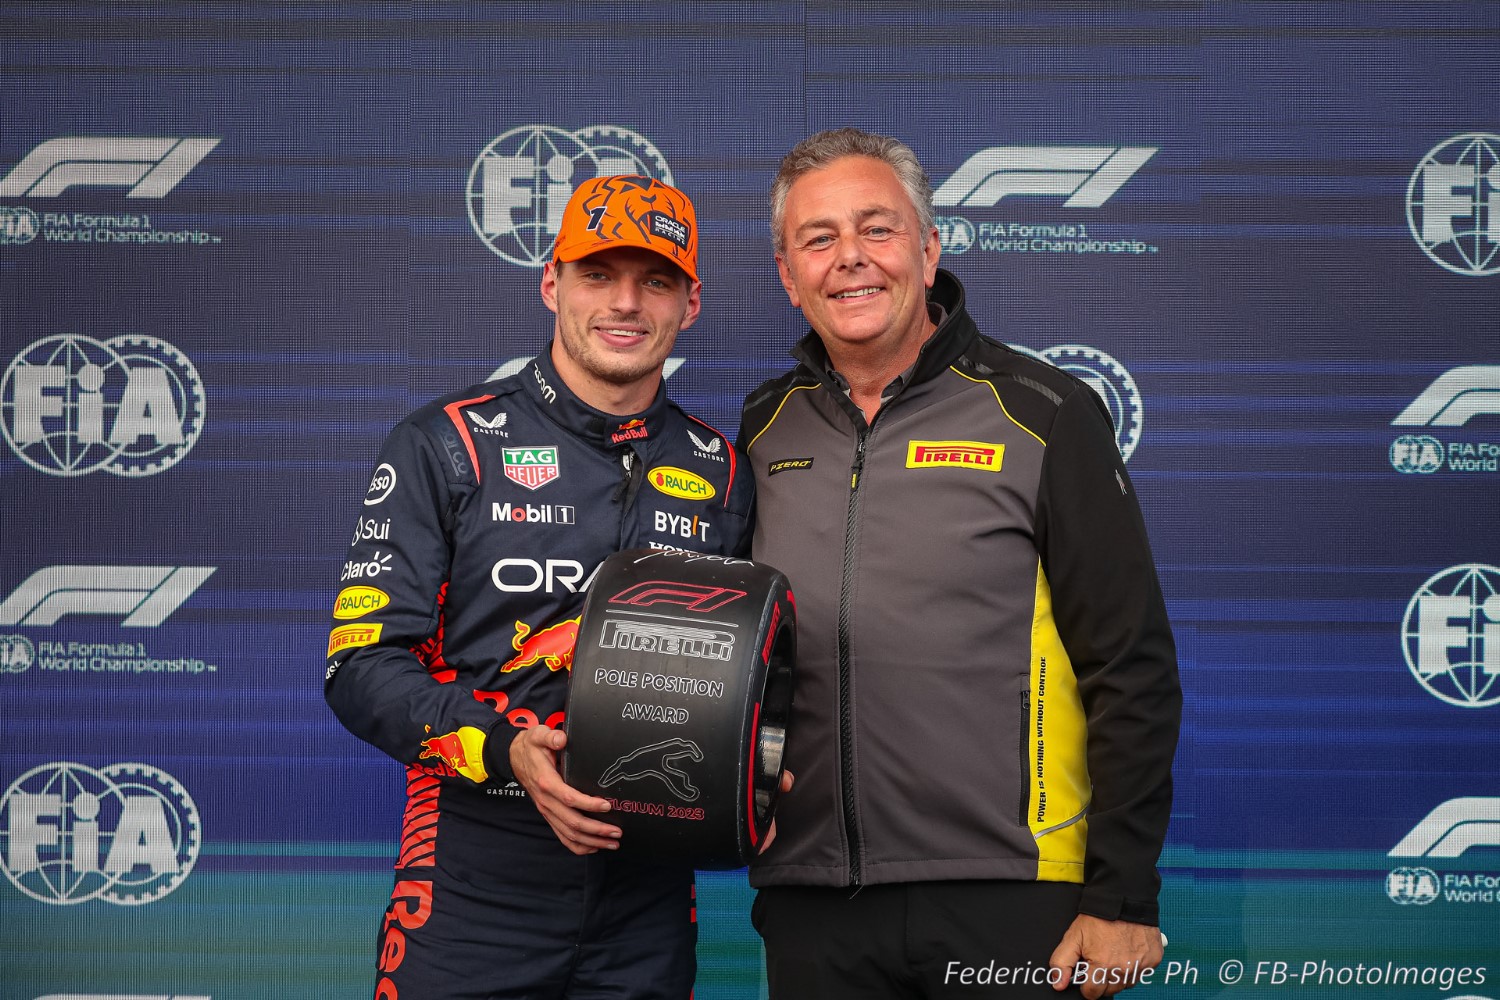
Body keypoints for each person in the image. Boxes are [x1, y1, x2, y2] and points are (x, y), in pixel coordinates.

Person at [738, 128, 1181, 999]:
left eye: (878, 228)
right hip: (816, 901)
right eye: (818, 239)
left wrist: (1124, 894)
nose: (851, 259)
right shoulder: (762, 430)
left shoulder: (1044, 413)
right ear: (788, 277)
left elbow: (1131, 666)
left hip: (1013, 898)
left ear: (929, 248)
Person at [325, 174, 753, 1000]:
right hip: (472, 883)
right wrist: (503, 752)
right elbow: (361, 666)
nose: (626, 303)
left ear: (690, 303)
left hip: (648, 902)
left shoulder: (723, 470)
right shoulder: (447, 445)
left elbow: (752, 675)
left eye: (655, 280)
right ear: (551, 282)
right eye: (599, 275)